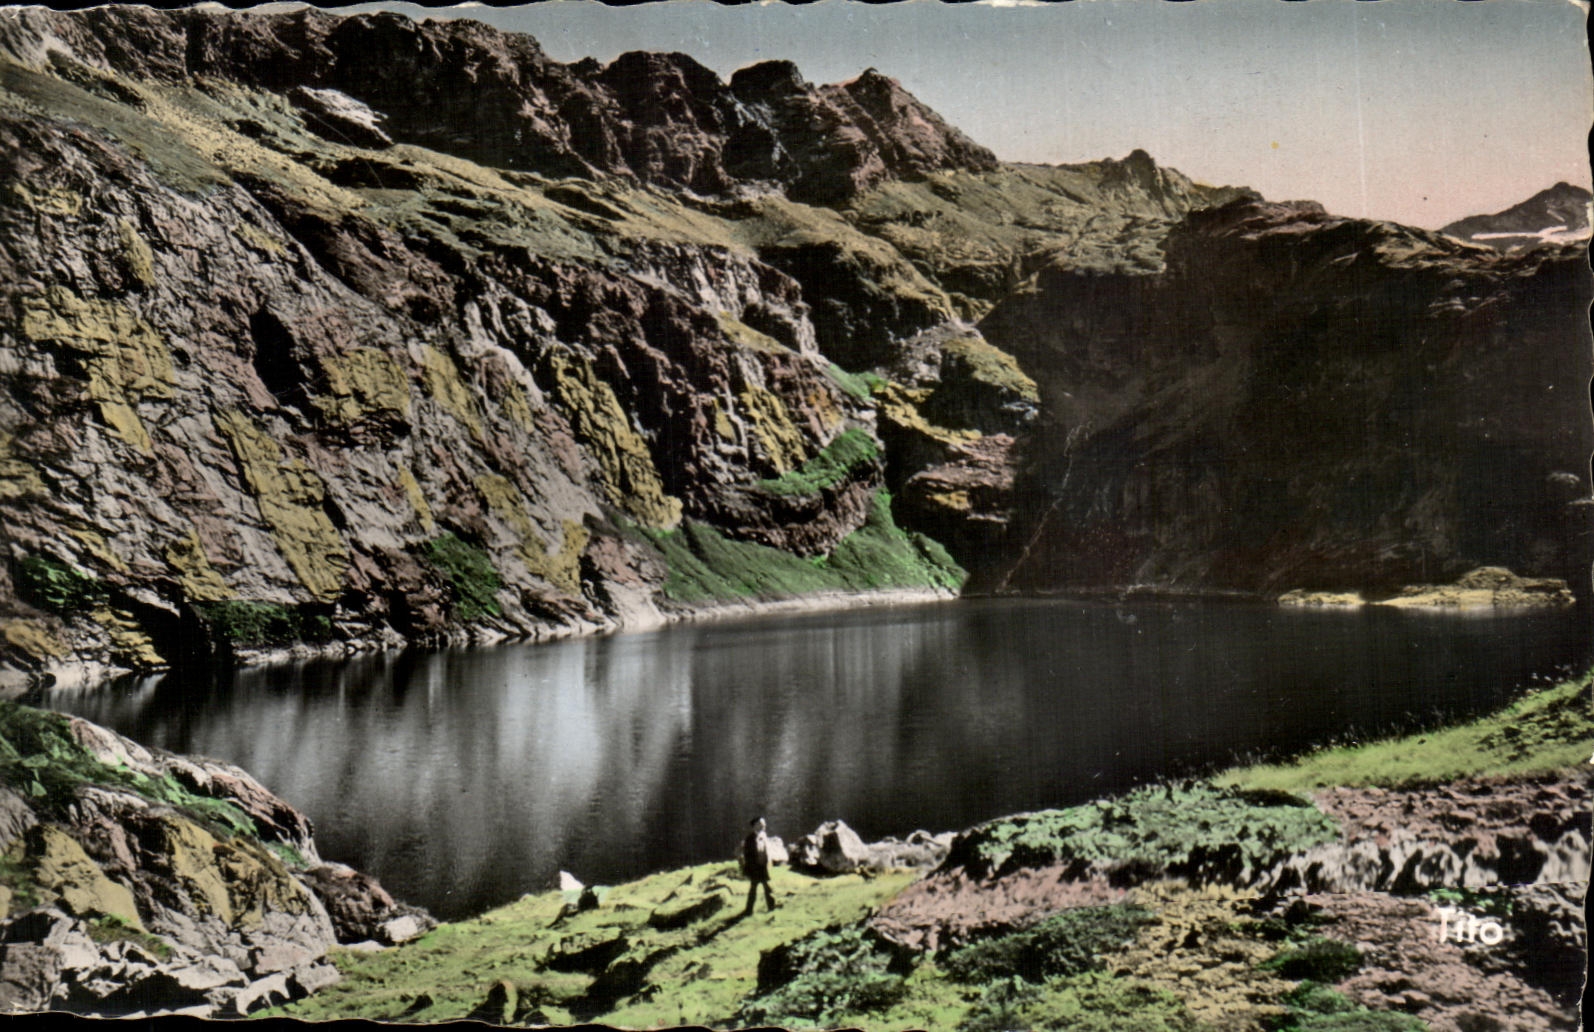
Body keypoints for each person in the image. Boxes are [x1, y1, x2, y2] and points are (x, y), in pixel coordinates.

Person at [740, 816, 777, 915]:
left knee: (766, 887)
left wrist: (768, 862)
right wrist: (752, 868)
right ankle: (750, 910)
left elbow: (766, 850)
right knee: (755, 889)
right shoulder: (750, 839)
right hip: (755, 868)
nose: (764, 825)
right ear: (755, 825)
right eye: (761, 823)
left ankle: (770, 907)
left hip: (763, 867)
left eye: (764, 823)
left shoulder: (763, 835)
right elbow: (747, 856)